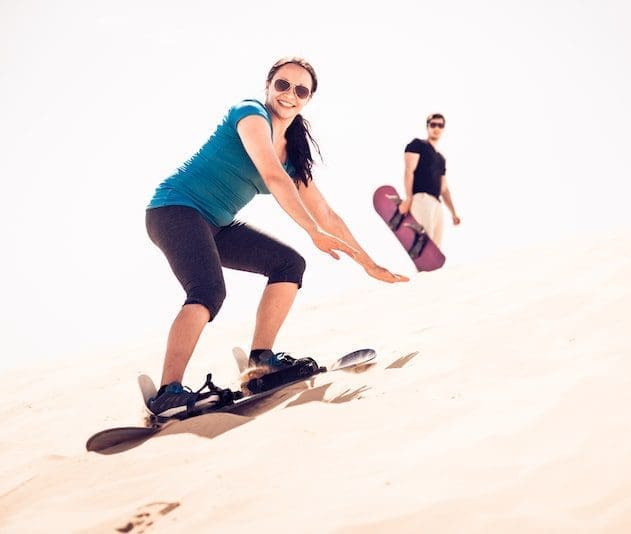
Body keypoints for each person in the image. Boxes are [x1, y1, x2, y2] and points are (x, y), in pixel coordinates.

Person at [145, 56, 408, 416]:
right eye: (282, 85)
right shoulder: (251, 113)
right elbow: (272, 176)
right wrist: (312, 231)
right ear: (268, 86)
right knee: (208, 291)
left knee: (288, 264)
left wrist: (368, 263)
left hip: (217, 224)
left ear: (308, 99)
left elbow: (327, 213)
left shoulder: (294, 153)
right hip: (175, 210)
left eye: (301, 90)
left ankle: (262, 362)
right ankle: (168, 393)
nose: (289, 94)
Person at [398, 113, 461, 247]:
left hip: (437, 205)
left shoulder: (441, 158)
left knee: (434, 251)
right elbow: (409, 171)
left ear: (443, 128)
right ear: (427, 126)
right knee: (424, 244)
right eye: (433, 124)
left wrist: (453, 212)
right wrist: (408, 198)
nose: (436, 128)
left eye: (440, 125)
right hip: (421, 199)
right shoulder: (417, 144)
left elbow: (444, 188)